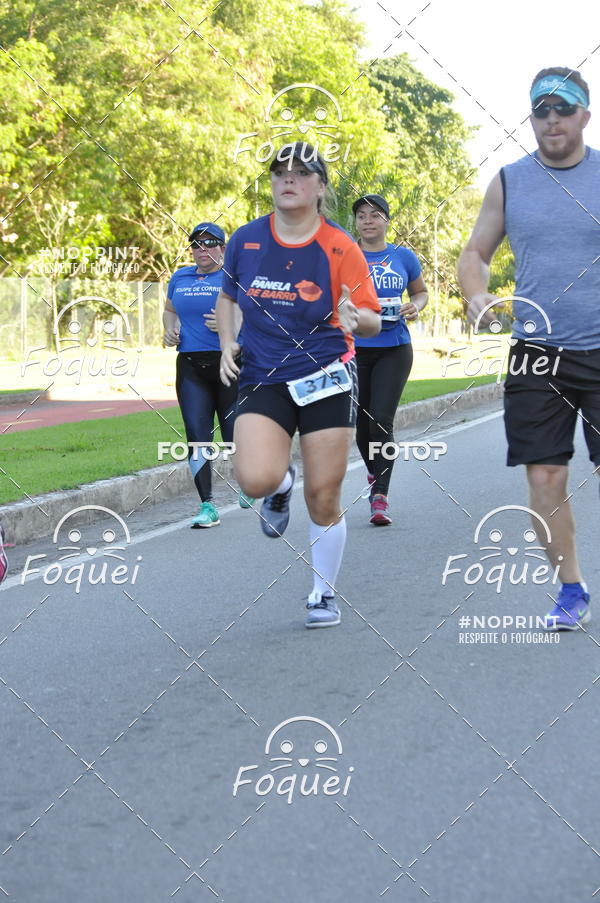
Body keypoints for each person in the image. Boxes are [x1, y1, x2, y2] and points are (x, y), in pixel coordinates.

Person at [216, 142, 381, 628]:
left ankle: (322, 594)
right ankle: (281, 484)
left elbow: (372, 319)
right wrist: (226, 343)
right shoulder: (246, 240)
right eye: (279, 171)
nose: (288, 178)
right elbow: (228, 298)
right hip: (262, 374)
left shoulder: (340, 247)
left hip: (326, 375)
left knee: (324, 495)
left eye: (302, 172)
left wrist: (356, 319)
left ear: (320, 187)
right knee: (255, 480)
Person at [458, 67, 598, 630]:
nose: (552, 119)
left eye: (563, 108)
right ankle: (571, 589)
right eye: (542, 110)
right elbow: (475, 253)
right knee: (544, 477)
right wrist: (476, 293)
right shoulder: (510, 181)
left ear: (585, 115)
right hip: (538, 353)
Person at [163, 222, 251, 527]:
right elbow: (170, 310)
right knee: (197, 436)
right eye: (196, 245)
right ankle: (207, 505)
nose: (202, 250)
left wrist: (231, 324)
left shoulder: (235, 277)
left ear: (223, 248)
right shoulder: (180, 277)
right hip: (190, 366)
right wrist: (169, 329)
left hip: (229, 364)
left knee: (232, 433)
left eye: (210, 243)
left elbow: (257, 315)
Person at [352, 194, 428, 525]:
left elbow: (420, 292)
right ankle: (375, 471)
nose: (368, 220)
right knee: (361, 423)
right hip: (354, 349)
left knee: (380, 420)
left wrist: (416, 306)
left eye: (375, 215)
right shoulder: (345, 255)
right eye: (362, 215)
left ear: (386, 220)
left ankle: (380, 495)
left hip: (394, 347)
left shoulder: (403, 256)